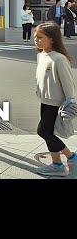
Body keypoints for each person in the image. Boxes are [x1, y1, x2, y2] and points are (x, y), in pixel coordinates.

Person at [33, 22, 77, 177]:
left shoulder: (59, 59)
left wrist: (70, 103)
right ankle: (57, 164)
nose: (36, 39)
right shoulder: (41, 55)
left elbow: (68, 84)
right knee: (49, 132)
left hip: (56, 104)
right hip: (45, 102)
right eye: (35, 37)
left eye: (40, 37)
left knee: (44, 131)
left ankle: (72, 157)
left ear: (52, 39)